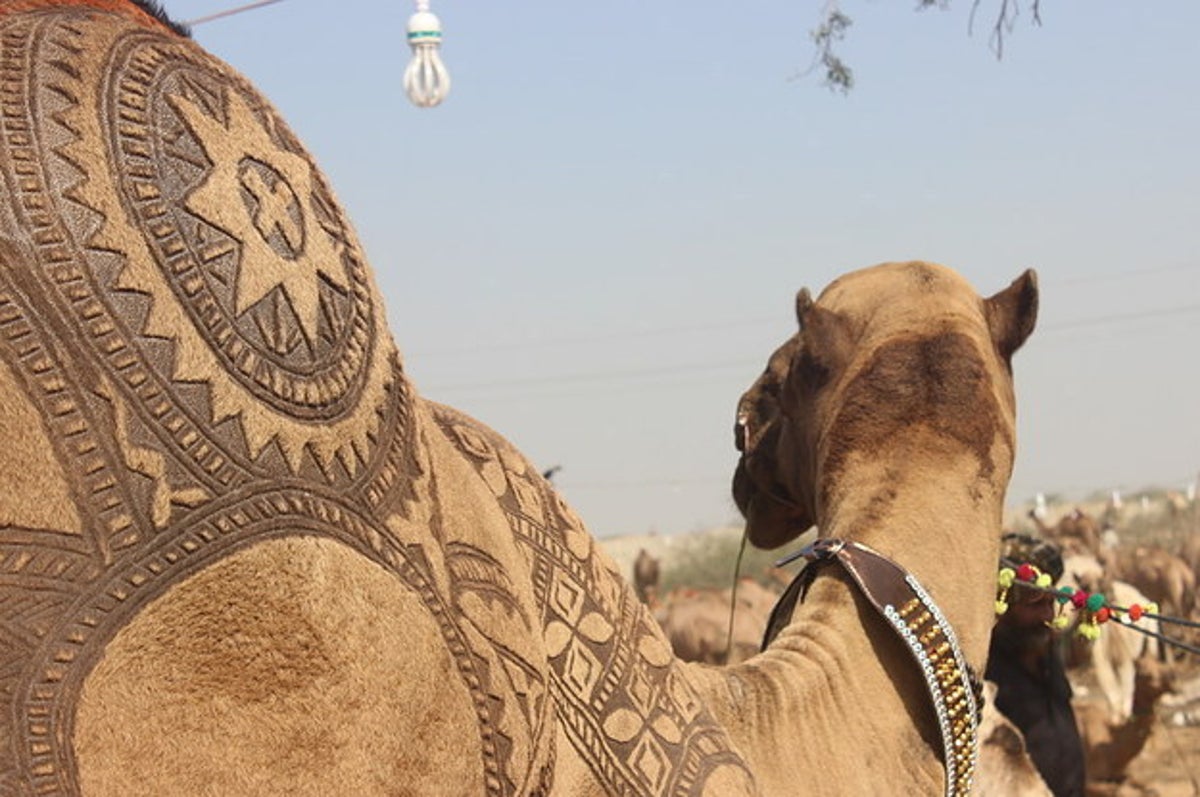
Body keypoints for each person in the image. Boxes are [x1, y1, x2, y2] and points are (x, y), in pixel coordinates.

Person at [986, 534, 1086, 797]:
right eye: (1035, 605)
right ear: (1003, 603)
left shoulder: (1045, 650)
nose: (1048, 615)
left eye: (1050, 603)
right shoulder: (984, 671)